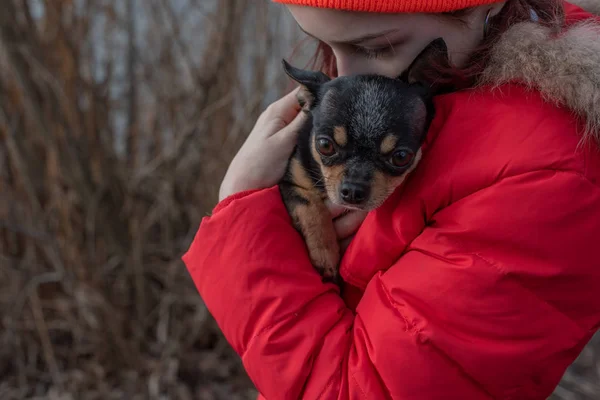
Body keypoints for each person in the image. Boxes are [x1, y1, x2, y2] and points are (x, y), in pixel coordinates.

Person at [183, 0, 600, 398]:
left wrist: (243, 214)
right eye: (322, 42)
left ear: (485, 7)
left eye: (376, 47)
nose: (343, 74)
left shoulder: (546, 179)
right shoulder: (438, 85)